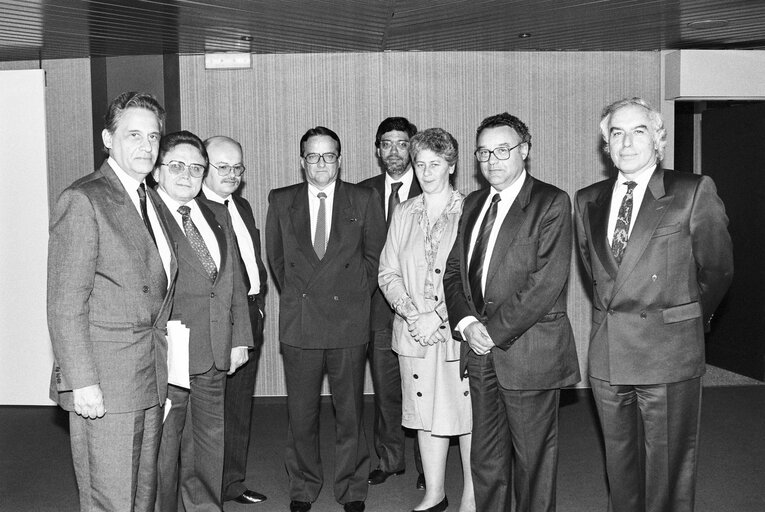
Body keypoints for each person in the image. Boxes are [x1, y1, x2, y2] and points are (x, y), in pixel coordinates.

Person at [574, 97, 734, 512]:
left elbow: (717, 270)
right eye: (616, 133)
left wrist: (687, 321)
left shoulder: (692, 190)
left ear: (658, 138)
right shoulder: (586, 200)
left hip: (668, 351)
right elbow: (598, 275)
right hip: (608, 356)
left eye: (638, 131)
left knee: (667, 471)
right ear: (605, 144)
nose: (627, 143)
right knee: (620, 468)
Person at [443, 112, 580, 512]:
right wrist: (467, 323)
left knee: (533, 462)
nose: (492, 160)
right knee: (486, 459)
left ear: (525, 151)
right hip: (481, 351)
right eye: (483, 152)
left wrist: (492, 331)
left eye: (502, 150)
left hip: (528, 352)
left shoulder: (550, 202)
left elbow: (544, 284)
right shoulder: (472, 203)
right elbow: (454, 271)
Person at [47, 91, 175, 512]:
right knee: (109, 499)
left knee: (142, 496)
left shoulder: (151, 198)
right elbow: (66, 303)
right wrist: (81, 381)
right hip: (105, 379)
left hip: (148, 374)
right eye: (133, 135)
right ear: (108, 138)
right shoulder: (84, 199)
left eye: (153, 137)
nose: (146, 146)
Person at [266, 127, 385, 512]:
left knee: (350, 411)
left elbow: (375, 257)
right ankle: (303, 486)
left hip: (348, 321)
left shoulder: (364, 199)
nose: (321, 163)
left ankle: (352, 487)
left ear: (340, 158)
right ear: (302, 161)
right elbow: (278, 262)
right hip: (300, 324)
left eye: (329, 156)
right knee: (301, 414)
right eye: (313, 156)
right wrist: (301, 298)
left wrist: (350, 295)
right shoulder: (282, 200)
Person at [153, 130, 252, 511]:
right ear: (158, 171)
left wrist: (240, 337)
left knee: (209, 451)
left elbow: (233, 281)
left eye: (196, 167)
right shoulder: (146, 215)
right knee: (162, 457)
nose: (187, 175)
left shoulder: (216, 214)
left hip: (213, 354)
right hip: (167, 360)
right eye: (176, 165)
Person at [378, 128, 474, 512]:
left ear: (451, 165)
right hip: (413, 332)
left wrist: (437, 316)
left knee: (465, 415)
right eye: (420, 164)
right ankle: (434, 493)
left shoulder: (471, 209)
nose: (427, 171)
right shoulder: (404, 211)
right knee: (424, 415)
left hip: (455, 333)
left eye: (436, 164)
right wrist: (413, 314)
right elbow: (387, 271)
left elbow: (473, 276)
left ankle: (471, 494)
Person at [201, 135, 268, 506]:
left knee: (239, 408)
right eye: (221, 166)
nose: (231, 174)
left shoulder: (240, 205)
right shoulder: (192, 210)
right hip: (215, 325)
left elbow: (251, 262)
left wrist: (257, 307)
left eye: (237, 167)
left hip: (250, 317)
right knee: (210, 414)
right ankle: (206, 491)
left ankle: (231, 484)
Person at [358, 117, 425, 490]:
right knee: (385, 390)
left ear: (412, 148)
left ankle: (425, 466)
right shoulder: (363, 192)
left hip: (420, 313)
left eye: (402, 144)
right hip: (377, 312)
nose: (394, 151)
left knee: (421, 389)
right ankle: (390, 459)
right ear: (377, 150)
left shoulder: (431, 185)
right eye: (387, 144)